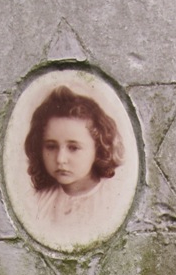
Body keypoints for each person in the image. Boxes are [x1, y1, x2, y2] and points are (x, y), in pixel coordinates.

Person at [23, 85, 125, 247]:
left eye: (73, 148)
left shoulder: (114, 200)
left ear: (98, 148)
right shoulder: (39, 201)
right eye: (51, 146)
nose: (60, 159)